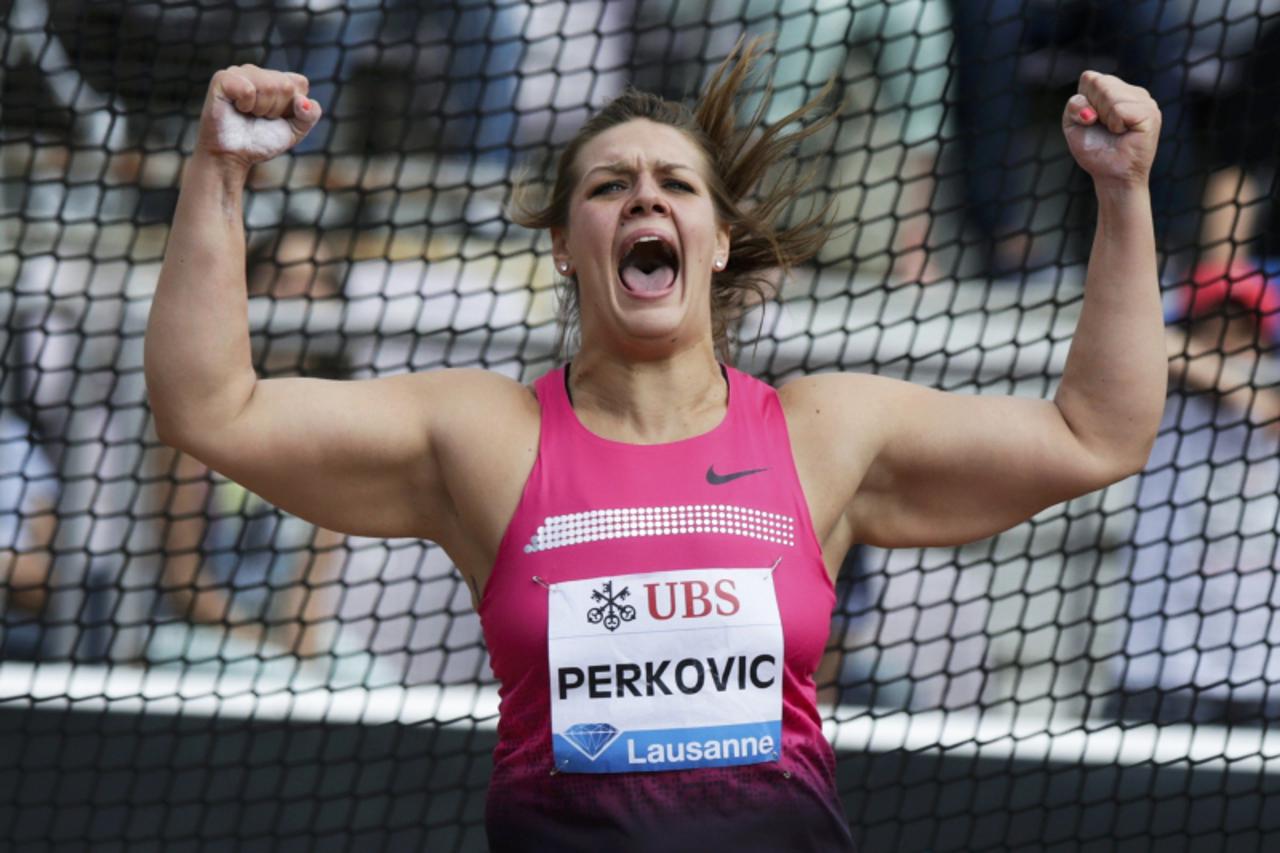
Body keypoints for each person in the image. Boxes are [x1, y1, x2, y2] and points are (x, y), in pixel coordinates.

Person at [145, 39, 1166, 852]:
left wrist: (1121, 193)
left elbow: (1096, 432)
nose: (642, 197)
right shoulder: (484, 434)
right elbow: (211, 408)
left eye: (675, 184)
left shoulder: (823, 430)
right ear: (562, 241)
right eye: (606, 186)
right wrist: (220, 168)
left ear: (717, 240)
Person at [1116, 269, 1280, 724]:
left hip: (1263, 675)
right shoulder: (1161, 404)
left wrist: (1253, 396)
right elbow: (1148, 341)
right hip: (1161, 671)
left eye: (1244, 331)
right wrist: (1235, 386)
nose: (1230, 343)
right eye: (1215, 328)